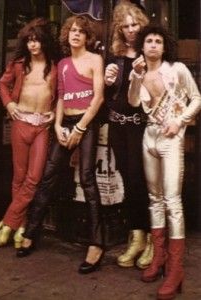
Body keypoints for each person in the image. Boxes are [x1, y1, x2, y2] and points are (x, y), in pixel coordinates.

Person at [17, 15, 105, 275]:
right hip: (64, 121)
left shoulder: (95, 60)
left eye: (81, 31)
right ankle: (32, 232)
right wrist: (57, 125)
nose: (75, 34)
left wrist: (80, 128)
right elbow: (61, 97)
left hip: (86, 122)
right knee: (48, 176)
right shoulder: (63, 63)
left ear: (87, 36)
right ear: (67, 34)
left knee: (88, 179)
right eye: (72, 30)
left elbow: (98, 98)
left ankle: (96, 243)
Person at [128, 25, 201, 300]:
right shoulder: (140, 72)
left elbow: (197, 99)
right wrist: (135, 76)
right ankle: (158, 259)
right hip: (149, 136)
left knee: (172, 201)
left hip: (171, 139)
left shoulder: (177, 70)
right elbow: (134, 101)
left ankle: (176, 269)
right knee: (154, 199)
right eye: (149, 40)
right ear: (143, 46)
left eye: (158, 40)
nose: (154, 45)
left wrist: (180, 120)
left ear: (164, 45)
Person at [0, 18, 57, 249]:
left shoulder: (54, 66)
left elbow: (59, 95)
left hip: (42, 126)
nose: (33, 45)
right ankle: (20, 225)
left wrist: (53, 112)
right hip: (21, 122)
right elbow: (2, 84)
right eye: (30, 40)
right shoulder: (19, 64)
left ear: (44, 42)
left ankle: (9, 221)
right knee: (19, 177)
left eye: (37, 40)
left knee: (34, 177)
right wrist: (9, 104)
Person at [104, 1, 152, 269]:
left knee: (139, 181)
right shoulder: (114, 55)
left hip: (138, 126)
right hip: (117, 126)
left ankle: (151, 239)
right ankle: (137, 237)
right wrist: (108, 83)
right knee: (127, 180)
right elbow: (108, 97)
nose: (131, 30)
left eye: (135, 25)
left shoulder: (150, 52)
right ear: (119, 29)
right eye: (126, 26)